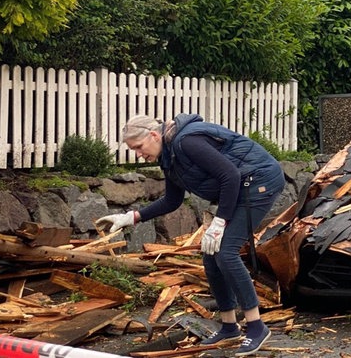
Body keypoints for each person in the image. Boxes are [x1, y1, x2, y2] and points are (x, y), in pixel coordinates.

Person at [95, 113, 285, 356]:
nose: (139, 154)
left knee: (226, 253)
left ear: (154, 135)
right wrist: (131, 217)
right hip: (239, 187)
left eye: (139, 147)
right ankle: (229, 326)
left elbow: (230, 176)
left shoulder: (187, 142)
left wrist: (219, 223)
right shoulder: (169, 157)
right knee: (210, 254)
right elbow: (173, 200)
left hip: (259, 182)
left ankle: (257, 327)